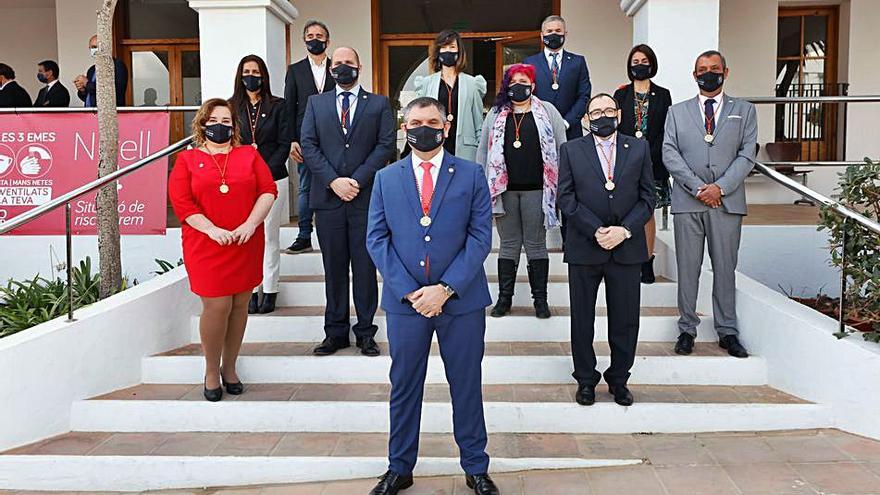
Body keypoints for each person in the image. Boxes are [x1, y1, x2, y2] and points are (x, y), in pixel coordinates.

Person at [366, 97, 499, 495]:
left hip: (460, 301)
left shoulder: (472, 175)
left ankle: (476, 467)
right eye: (416, 121)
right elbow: (376, 239)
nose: (424, 127)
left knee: (466, 384)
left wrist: (445, 289)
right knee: (404, 385)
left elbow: (480, 238)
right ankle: (399, 467)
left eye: (432, 121)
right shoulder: (386, 178)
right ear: (405, 126)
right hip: (406, 306)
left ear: (446, 125)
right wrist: (411, 292)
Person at [168, 98, 278, 401]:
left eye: (227, 121)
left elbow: (268, 190)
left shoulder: (248, 155)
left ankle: (230, 367)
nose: (221, 126)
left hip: (244, 241)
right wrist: (213, 230)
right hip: (206, 244)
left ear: (234, 126)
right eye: (214, 120)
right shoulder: (187, 160)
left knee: (240, 305)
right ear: (203, 124)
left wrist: (250, 225)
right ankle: (211, 370)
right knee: (217, 306)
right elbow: (182, 203)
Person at [558, 93, 655, 407]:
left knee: (625, 319)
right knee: (582, 319)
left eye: (608, 110)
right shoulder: (571, 150)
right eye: (595, 111)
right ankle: (586, 380)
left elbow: (647, 197)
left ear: (619, 114)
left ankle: (619, 379)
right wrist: (596, 229)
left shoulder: (638, 148)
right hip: (586, 246)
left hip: (626, 248)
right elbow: (566, 197)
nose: (602, 116)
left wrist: (624, 230)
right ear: (586, 119)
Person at [300, 46, 395, 357]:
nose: (343, 67)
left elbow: (385, 145)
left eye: (349, 63)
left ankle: (366, 333)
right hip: (328, 200)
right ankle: (335, 332)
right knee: (334, 268)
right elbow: (309, 145)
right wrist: (333, 181)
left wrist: (356, 180)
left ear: (360, 67)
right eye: (338, 63)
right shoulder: (316, 103)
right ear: (331, 69)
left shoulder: (379, 104)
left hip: (364, 198)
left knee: (365, 269)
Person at [663, 50, 757, 359]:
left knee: (725, 269)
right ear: (694, 75)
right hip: (688, 202)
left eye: (714, 68)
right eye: (702, 69)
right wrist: (698, 187)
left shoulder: (744, 110)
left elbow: (747, 154)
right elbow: (669, 153)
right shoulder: (677, 112)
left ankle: (727, 331)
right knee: (688, 270)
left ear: (725, 72)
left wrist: (721, 188)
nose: (708, 73)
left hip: (726, 204)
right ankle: (687, 329)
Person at [476, 63, 567, 320]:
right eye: (514, 82)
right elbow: (483, 150)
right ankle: (504, 299)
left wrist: (564, 185)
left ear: (533, 85)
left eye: (524, 82)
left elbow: (562, 147)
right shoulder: (495, 113)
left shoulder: (547, 111)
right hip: (504, 191)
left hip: (538, 190)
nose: (519, 86)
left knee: (536, 244)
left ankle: (541, 300)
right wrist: (482, 185)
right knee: (508, 244)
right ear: (507, 85)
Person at [230, 54, 291, 315]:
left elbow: (284, 143)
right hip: (242, 182)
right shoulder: (231, 106)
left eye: (256, 72)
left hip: (274, 177)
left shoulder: (279, 105)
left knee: (269, 236)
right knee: (248, 236)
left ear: (263, 76)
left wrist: (264, 171)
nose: (251, 76)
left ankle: (270, 289)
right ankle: (252, 291)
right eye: (247, 71)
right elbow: (229, 144)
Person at [613, 44, 672, 284]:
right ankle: (628, 259)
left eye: (644, 61)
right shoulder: (621, 94)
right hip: (626, 163)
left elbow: (666, 128)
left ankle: (647, 261)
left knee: (647, 214)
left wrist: (649, 154)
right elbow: (614, 128)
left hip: (653, 162)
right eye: (635, 61)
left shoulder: (663, 94)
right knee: (625, 212)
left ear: (652, 64)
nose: (639, 65)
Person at [282, 20, 336, 255]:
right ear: (304, 40)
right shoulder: (295, 70)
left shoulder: (337, 68)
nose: (315, 39)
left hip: (335, 137)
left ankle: (333, 232)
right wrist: (292, 139)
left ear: (327, 40)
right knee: (305, 187)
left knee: (333, 184)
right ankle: (304, 235)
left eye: (320, 35)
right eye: (310, 35)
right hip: (306, 138)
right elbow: (288, 107)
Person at [413, 29, 486, 162]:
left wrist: (481, 157)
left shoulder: (473, 84)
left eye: (452, 47)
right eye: (444, 47)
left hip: (466, 151)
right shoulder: (426, 84)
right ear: (438, 51)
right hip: (434, 147)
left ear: (459, 52)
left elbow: (479, 125)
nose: (448, 51)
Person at [522, 15, 591, 141]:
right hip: (538, 130)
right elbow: (527, 96)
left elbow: (584, 96)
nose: (554, 34)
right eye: (549, 31)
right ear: (542, 35)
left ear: (565, 34)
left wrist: (566, 123)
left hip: (571, 132)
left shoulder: (578, 62)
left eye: (558, 31)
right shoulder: (529, 62)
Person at [73, 35, 128, 107]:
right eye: (92, 47)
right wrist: (82, 90)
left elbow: (112, 91)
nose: (95, 50)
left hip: (109, 114)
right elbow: (90, 97)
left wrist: (87, 83)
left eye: (97, 47)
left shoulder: (117, 66)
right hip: (90, 114)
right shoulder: (92, 70)